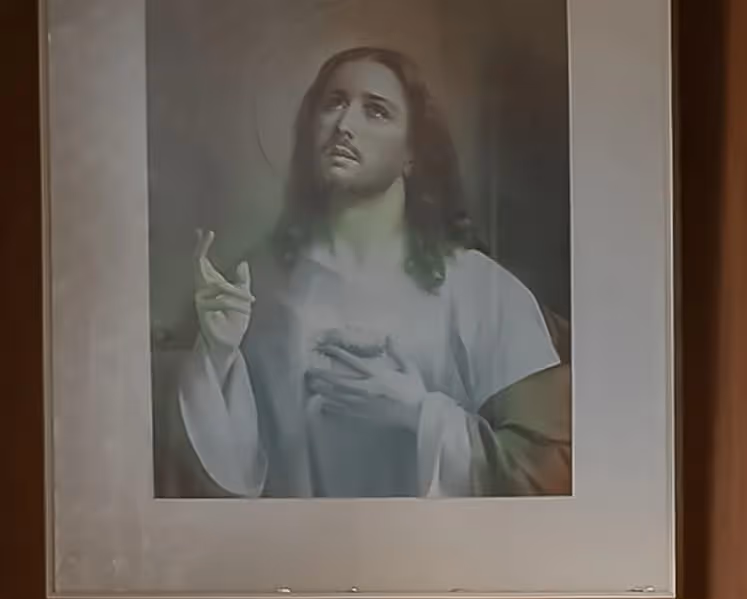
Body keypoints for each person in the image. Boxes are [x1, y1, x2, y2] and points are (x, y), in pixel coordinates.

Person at [167, 46, 569, 498]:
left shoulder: (480, 288)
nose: (344, 125)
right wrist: (217, 357)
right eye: (333, 103)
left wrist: (415, 413)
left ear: (411, 153)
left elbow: (546, 468)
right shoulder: (256, 285)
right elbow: (221, 482)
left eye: (375, 111)